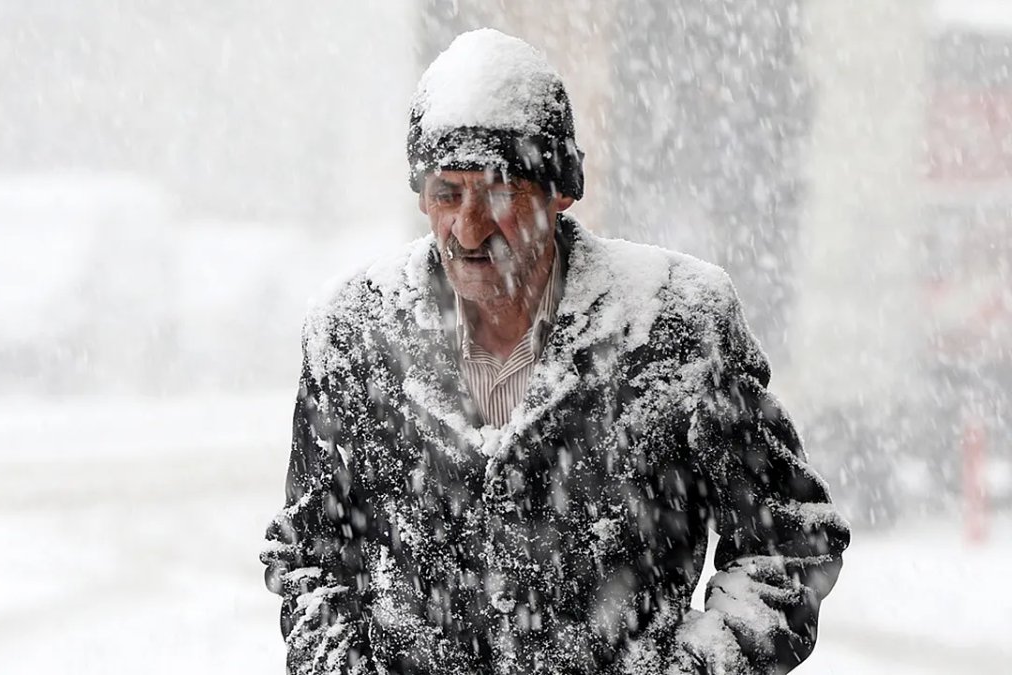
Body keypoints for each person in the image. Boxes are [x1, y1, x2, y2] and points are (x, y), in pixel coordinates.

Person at [262, 28, 849, 675]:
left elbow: (790, 538)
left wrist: (698, 668)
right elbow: (311, 552)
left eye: (497, 192)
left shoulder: (676, 321)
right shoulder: (355, 331)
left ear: (560, 189)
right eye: (446, 194)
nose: (468, 227)